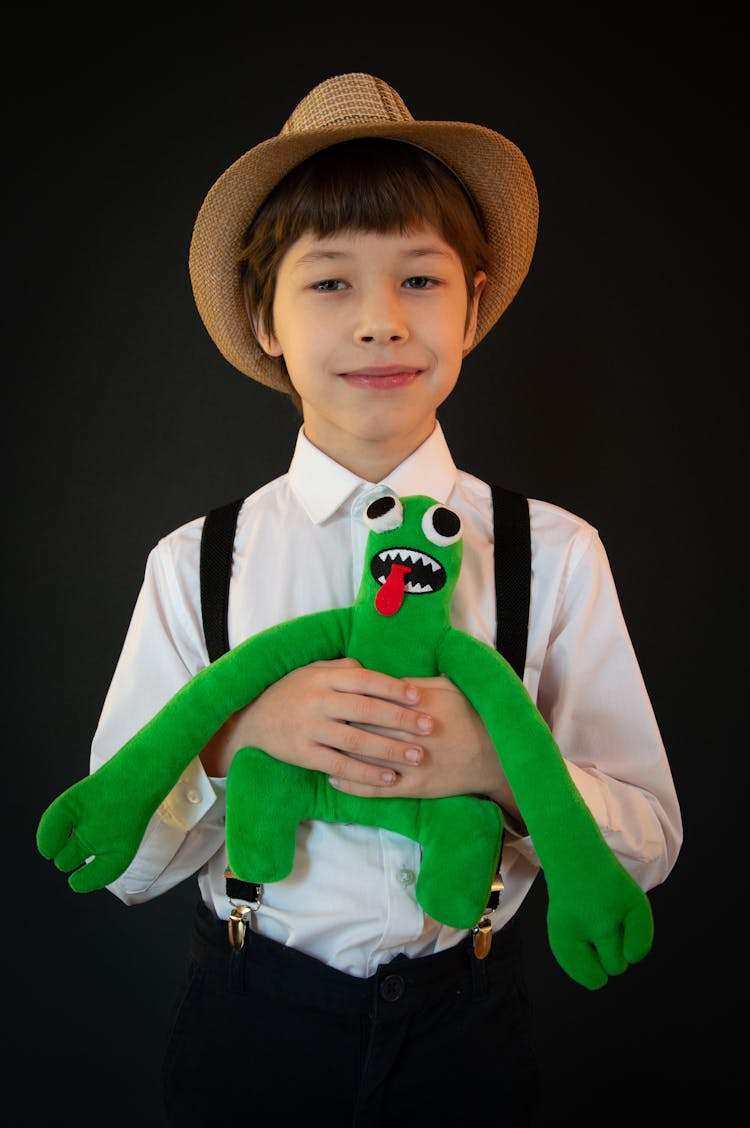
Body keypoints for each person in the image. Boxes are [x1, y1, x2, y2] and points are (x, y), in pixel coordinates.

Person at [83, 73, 682, 1125]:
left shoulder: (556, 553)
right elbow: (118, 860)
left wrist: (505, 771)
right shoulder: (197, 560)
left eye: (419, 280)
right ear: (263, 317)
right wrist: (229, 742)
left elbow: (648, 839)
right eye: (328, 285)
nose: (378, 323)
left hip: (467, 1032)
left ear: (475, 305)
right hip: (248, 1026)